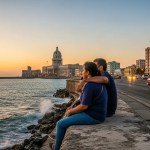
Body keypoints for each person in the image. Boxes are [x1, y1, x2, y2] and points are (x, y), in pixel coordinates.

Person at [51, 62, 108, 150]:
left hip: (94, 116)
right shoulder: (96, 83)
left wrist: (70, 111)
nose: (82, 72)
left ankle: (56, 148)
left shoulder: (90, 85)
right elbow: (81, 95)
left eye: (83, 70)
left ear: (88, 72)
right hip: (99, 114)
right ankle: (57, 142)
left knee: (60, 124)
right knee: (67, 117)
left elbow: (84, 106)